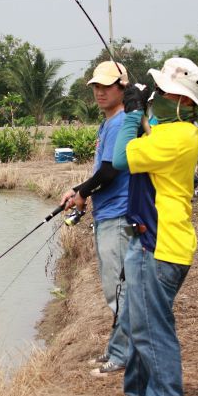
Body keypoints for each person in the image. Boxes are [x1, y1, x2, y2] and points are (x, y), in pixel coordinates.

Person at [103, 57, 198, 396]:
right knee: (134, 321)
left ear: (187, 104)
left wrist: (131, 113)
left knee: (151, 329)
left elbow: (121, 158)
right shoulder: (178, 133)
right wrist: (141, 113)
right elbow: (152, 136)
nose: (159, 98)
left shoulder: (176, 137)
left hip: (159, 245)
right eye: (158, 92)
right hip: (147, 237)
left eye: (166, 94)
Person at [59, 60, 132, 377]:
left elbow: (111, 170)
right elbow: (100, 172)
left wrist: (83, 192)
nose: (100, 92)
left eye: (107, 86)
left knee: (117, 290)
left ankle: (123, 356)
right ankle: (116, 351)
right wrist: (80, 190)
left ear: (122, 88)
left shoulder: (121, 123)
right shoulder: (109, 124)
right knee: (115, 288)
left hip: (118, 214)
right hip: (108, 213)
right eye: (96, 87)